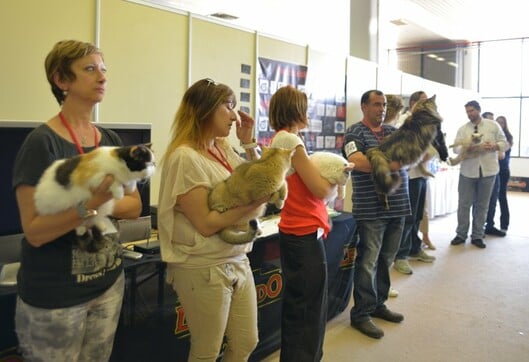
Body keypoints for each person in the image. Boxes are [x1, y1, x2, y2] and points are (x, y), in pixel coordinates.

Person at [12, 40, 142, 361]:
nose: (102, 77)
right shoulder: (41, 143)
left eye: (103, 69)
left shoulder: (110, 140)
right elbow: (36, 231)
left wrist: (96, 203)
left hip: (109, 284)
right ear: (62, 80)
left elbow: (135, 206)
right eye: (89, 69)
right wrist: (92, 203)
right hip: (55, 297)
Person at [157, 78, 265, 361]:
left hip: (236, 257)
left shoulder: (220, 148)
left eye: (234, 107)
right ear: (204, 109)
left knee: (246, 341)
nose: (234, 115)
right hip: (203, 265)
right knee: (207, 351)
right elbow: (205, 223)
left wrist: (249, 143)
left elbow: (258, 179)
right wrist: (252, 205)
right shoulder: (185, 157)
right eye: (227, 106)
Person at [268, 86, 342, 361]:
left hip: (297, 230)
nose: (308, 111)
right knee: (310, 311)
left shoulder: (283, 139)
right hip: (303, 233)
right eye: (304, 105)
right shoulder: (290, 141)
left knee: (300, 306)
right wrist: (334, 183)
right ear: (295, 109)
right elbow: (320, 189)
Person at [343, 90, 409, 339]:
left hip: (399, 206)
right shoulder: (354, 133)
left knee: (386, 260)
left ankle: (378, 303)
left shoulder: (393, 132)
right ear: (364, 106)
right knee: (368, 262)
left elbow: (408, 157)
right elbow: (357, 161)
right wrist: (391, 162)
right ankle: (361, 314)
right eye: (376, 104)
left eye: (383, 105)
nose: (381, 109)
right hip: (371, 209)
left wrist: (382, 160)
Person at [450, 100, 507, 249]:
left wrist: (494, 146)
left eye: (472, 111)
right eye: (467, 112)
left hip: (488, 170)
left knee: (482, 205)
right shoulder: (463, 129)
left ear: (479, 110)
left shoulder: (493, 126)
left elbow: (504, 143)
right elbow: (455, 149)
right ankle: (461, 234)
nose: (470, 114)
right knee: (464, 204)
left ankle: (477, 235)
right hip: (467, 171)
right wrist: (465, 147)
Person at [393, 91, 438, 275]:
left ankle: (414, 247)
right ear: (412, 104)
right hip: (408, 175)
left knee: (418, 215)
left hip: (421, 175)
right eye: (422, 102)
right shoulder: (403, 120)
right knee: (408, 217)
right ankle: (400, 256)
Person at [485, 115, 513, 234]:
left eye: (502, 122)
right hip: (492, 169)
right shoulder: (493, 136)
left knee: (501, 197)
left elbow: (501, 155)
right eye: (498, 122)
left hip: (502, 170)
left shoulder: (507, 138)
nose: (499, 124)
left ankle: (504, 225)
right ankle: (489, 224)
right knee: (490, 200)